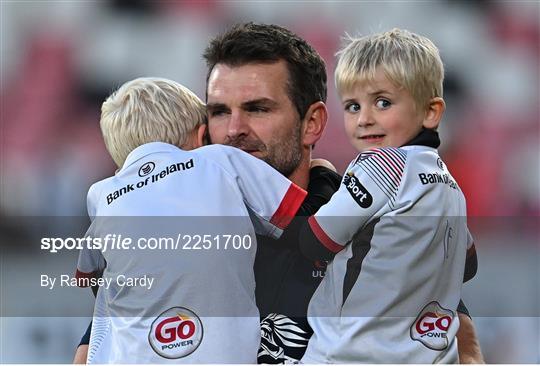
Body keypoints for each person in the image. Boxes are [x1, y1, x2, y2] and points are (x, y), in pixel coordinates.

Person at [75, 22, 484, 364]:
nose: (234, 130)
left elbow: (460, 345)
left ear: (312, 124)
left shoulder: (380, 228)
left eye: (257, 109)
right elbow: (93, 350)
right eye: (219, 112)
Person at [76, 77, 307, 363]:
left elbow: (88, 274)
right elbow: (302, 222)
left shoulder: (102, 192)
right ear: (200, 137)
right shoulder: (217, 159)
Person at [297, 28, 478, 363]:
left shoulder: (382, 163)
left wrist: (320, 186)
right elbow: (467, 266)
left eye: (383, 103)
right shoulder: (450, 186)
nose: (365, 119)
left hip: (348, 354)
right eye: (352, 106)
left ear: (430, 112)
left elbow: (315, 241)